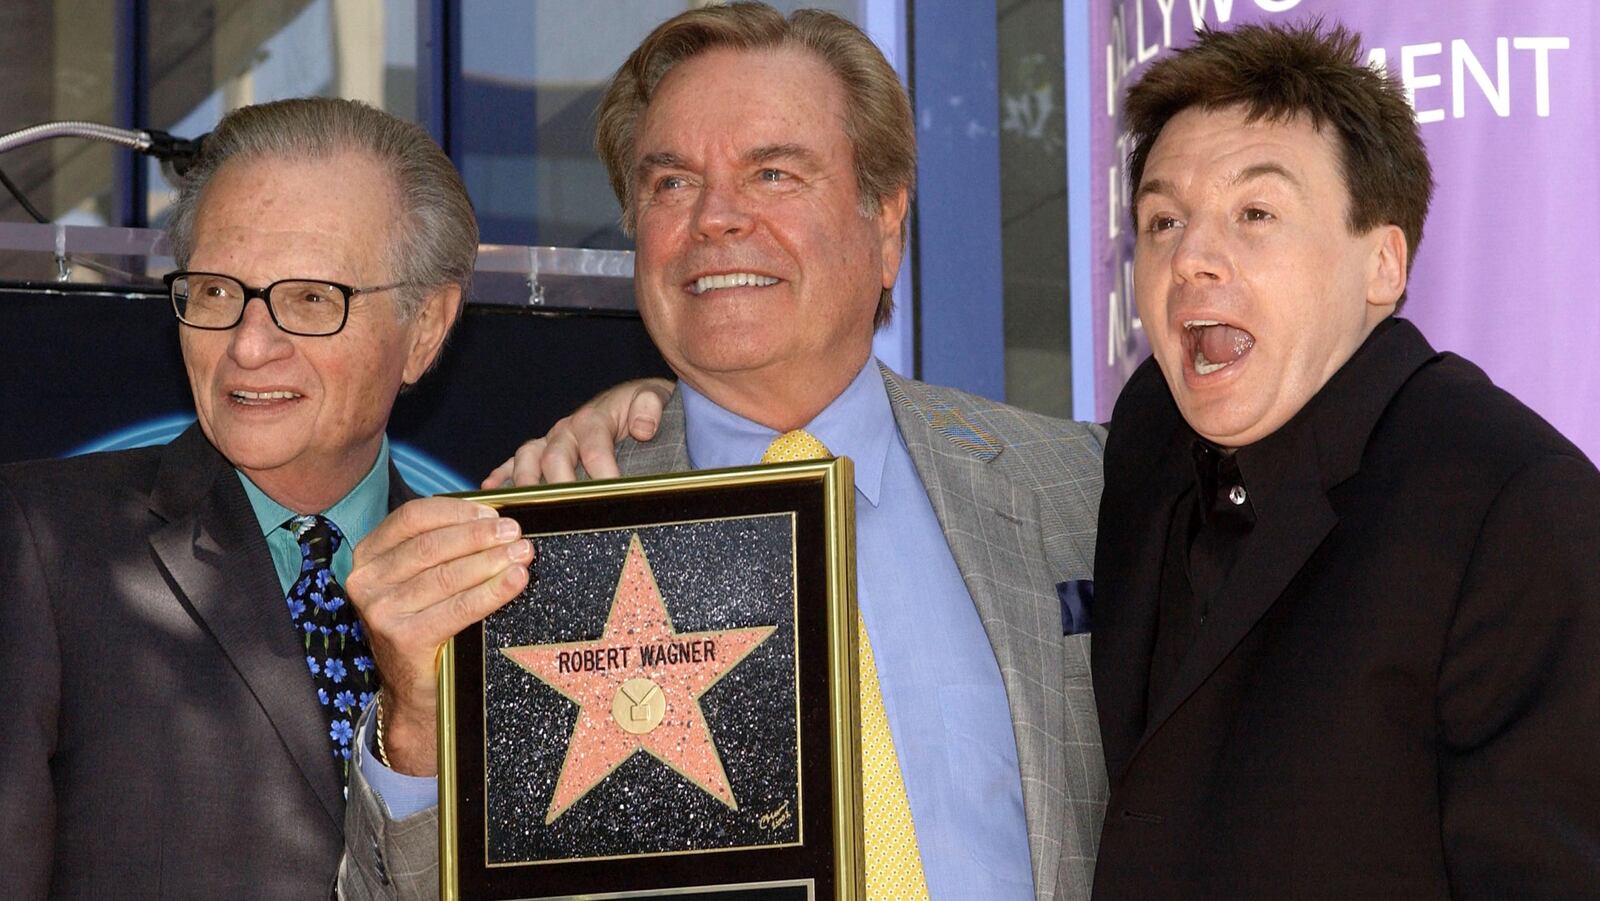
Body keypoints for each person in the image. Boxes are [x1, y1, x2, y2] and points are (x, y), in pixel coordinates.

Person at [338, 4, 1106, 899]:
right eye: (671, 184)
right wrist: (421, 729)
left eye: (774, 172)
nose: (716, 219)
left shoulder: (1084, 484)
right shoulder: (536, 544)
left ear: (886, 223)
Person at [1088, 22, 1600, 897]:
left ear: (1383, 264)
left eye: (1256, 214)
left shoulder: (1516, 505)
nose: (1192, 260)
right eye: (1163, 221)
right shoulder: (1148, 438)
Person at [0, 97, 475, 898]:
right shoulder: (40, 545)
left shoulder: (501, 588)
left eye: (313, 299)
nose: (250, 346)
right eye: (217, 291)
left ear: (424, 328)